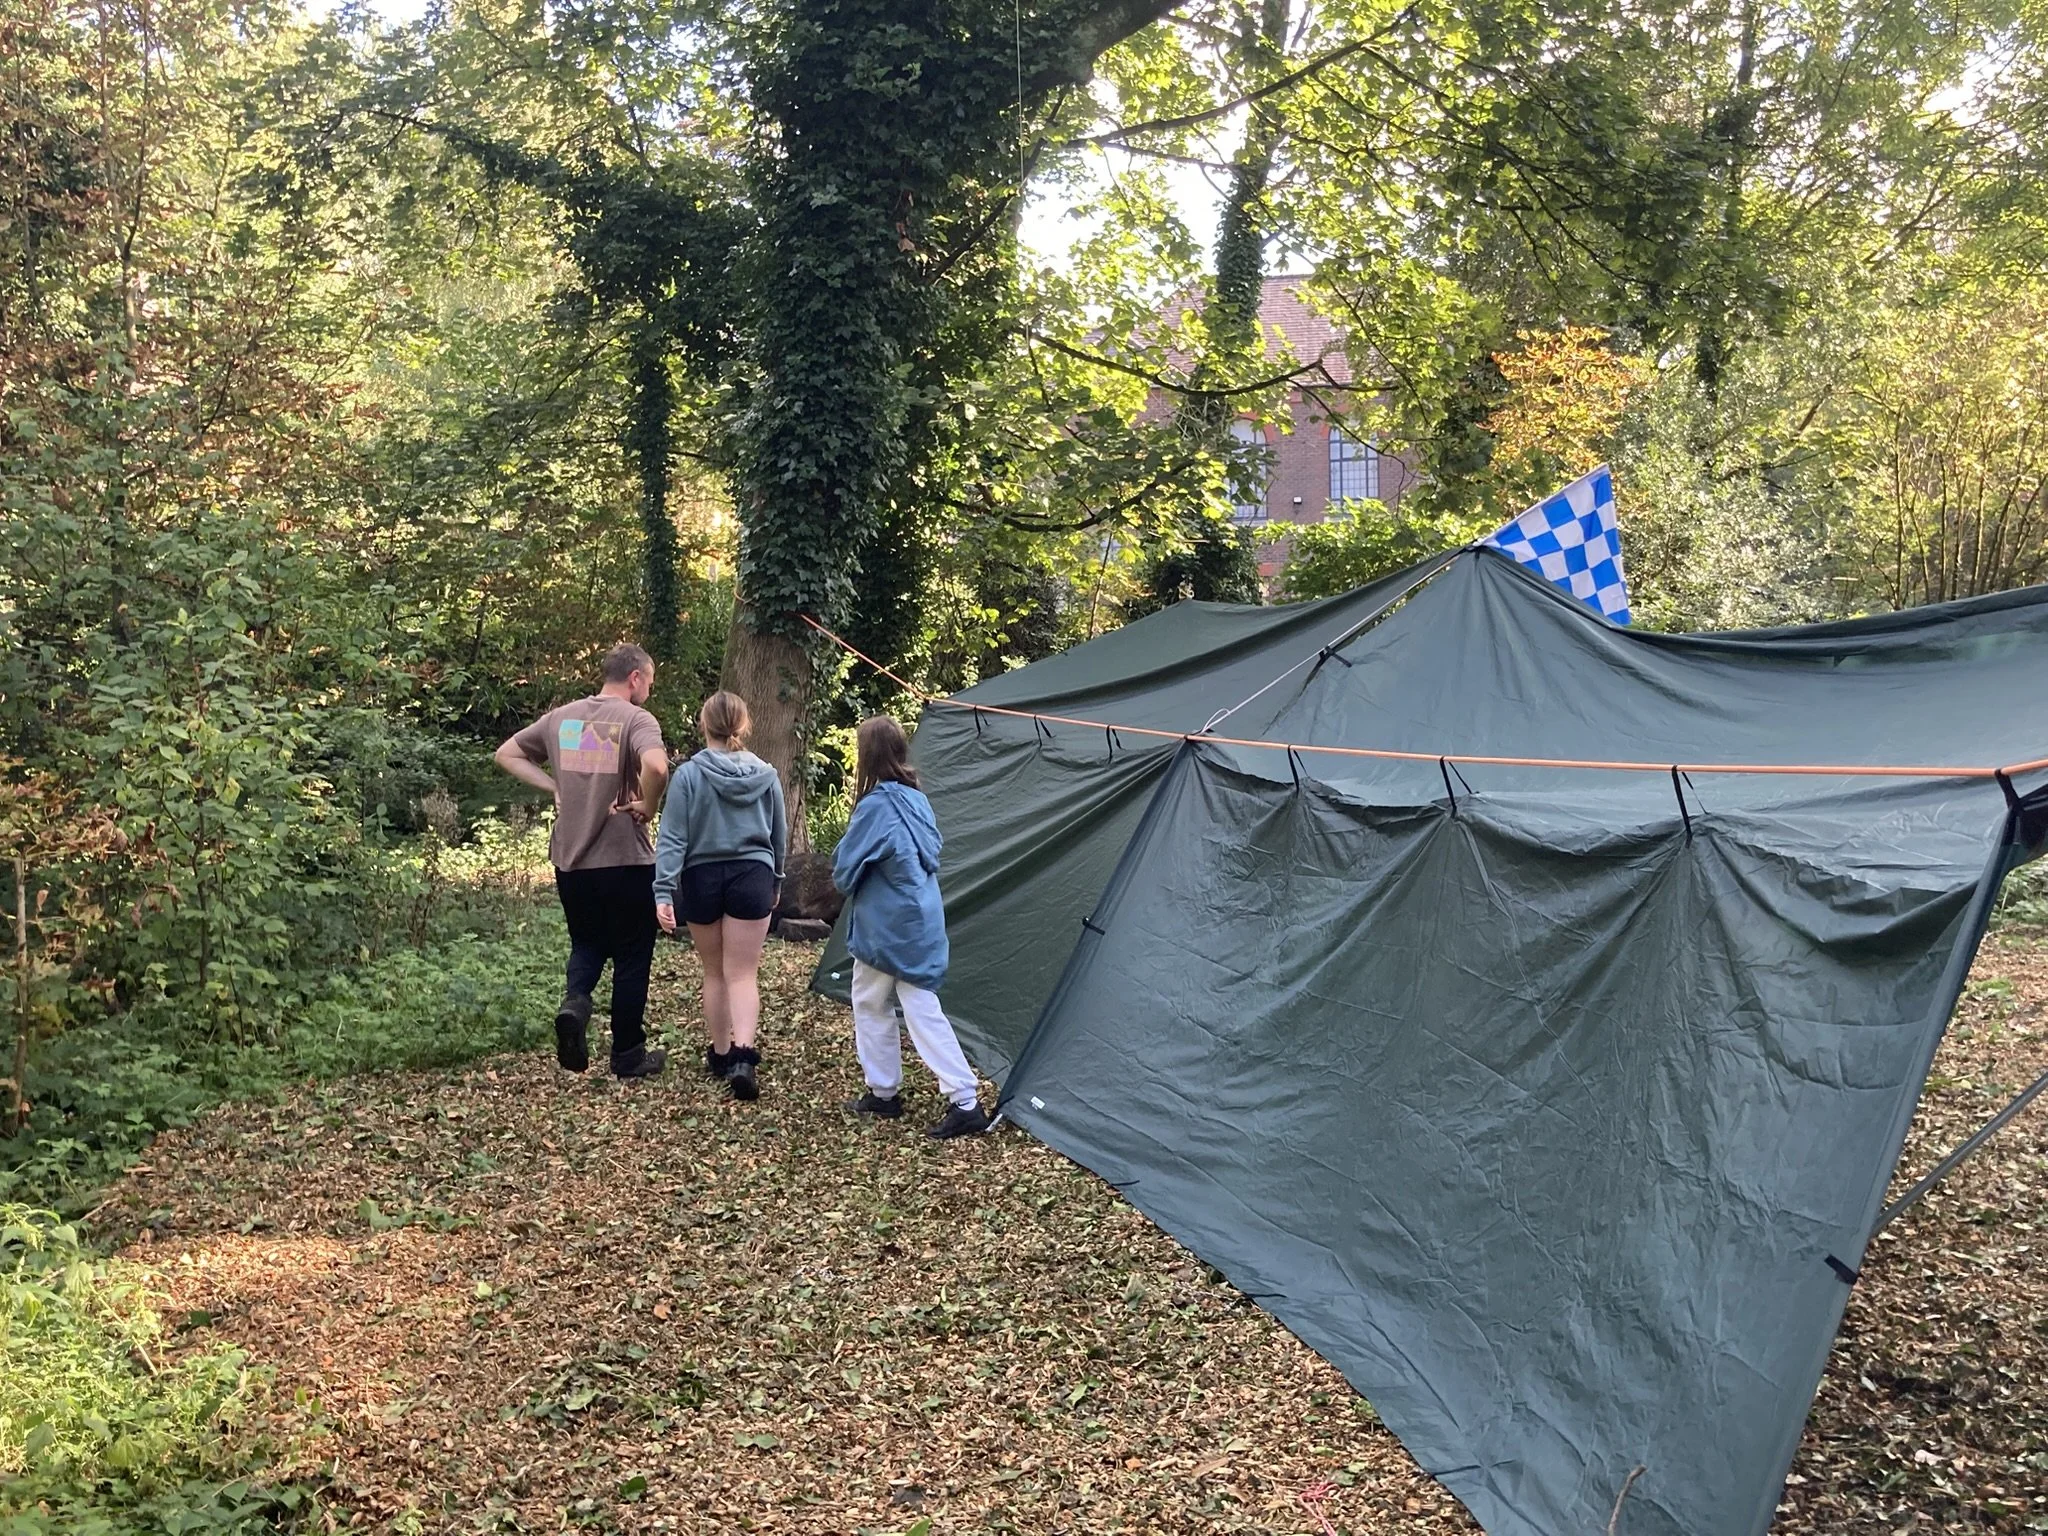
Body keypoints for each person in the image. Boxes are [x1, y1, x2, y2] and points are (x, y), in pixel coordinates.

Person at [496, 643, 670, 1078]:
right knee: (632, 955)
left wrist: (553, 785)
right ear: (634, 677)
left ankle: (576, 1003)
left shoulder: (561, 718)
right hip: (625, 859)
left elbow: (507, 753)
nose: (649, 687)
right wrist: (648, 804)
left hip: (570, 861)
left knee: (587, 943)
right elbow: (658, 767)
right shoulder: (636, 719)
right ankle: (628, 1054)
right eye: (649, 679)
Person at [833, 715, 991, 1139]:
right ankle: (942, 1096)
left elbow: (845, 871)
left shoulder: (875, 808)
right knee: (912, 1003)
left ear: (865, 758)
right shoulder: (917, 799)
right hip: (920, 918)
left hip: (887, 926)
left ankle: (946, 1099)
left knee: (879, 1004)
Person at [652, 691, 787, 1101]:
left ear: (702, 724)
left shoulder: (689, 776)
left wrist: (663, 890)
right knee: (743, 973)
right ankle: (745, 1055)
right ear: (743, 726)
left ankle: (721, 1052)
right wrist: (776, 879)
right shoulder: (767, 774)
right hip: (753, 873)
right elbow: (778, 833)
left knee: (714, 972)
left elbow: (673, 836)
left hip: (702, 876)